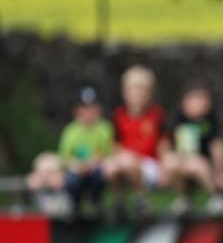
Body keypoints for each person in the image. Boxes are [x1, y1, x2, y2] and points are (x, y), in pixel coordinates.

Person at [108, 65, 172, 216]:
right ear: (125, 93)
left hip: (150, 165)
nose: (138, 94)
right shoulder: (119, 115)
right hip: (126, 162)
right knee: (114, 166)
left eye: (143, 90)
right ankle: (119, 200)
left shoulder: (156, 115)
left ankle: (141, 199)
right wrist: (121, 156)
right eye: (134, 90)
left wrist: (165, 164)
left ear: (150, 93)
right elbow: (114, 143)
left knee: (130, 163)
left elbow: (163, 143)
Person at [168, 82, 223, 215]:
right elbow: (174, 147)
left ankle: (216, 197)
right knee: (179, 163)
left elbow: (217, 147)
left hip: (205, 166)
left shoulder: (211, 120)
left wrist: (221, 171)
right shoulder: (179, 119)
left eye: (203, 100)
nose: (200, 104)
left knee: (198, 164)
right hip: (185, 163)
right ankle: (185, 198)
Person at [57, 87, 115, 215]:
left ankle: (97, 205)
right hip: (76, 172)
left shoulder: (105, 128)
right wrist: (77, 165)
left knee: (98, 176)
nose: (88, 112)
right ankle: (74, 208)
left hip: (96, 170)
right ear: (77, 111)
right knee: (71, 180)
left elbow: (109, 154)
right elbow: (63, 158)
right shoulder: (70, 131)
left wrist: (93, 162)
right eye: (84, 108)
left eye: (92, 108)